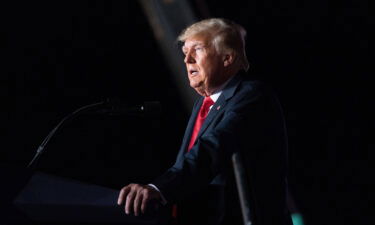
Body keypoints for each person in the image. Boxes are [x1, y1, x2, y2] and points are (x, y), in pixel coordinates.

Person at [117, 18, 292, 225]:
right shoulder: (203, 104)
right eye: (185, 53)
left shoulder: (252, 96)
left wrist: (159, 188)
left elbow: (212, 149)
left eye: (197, 49)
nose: (187, 60)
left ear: (227, 58)